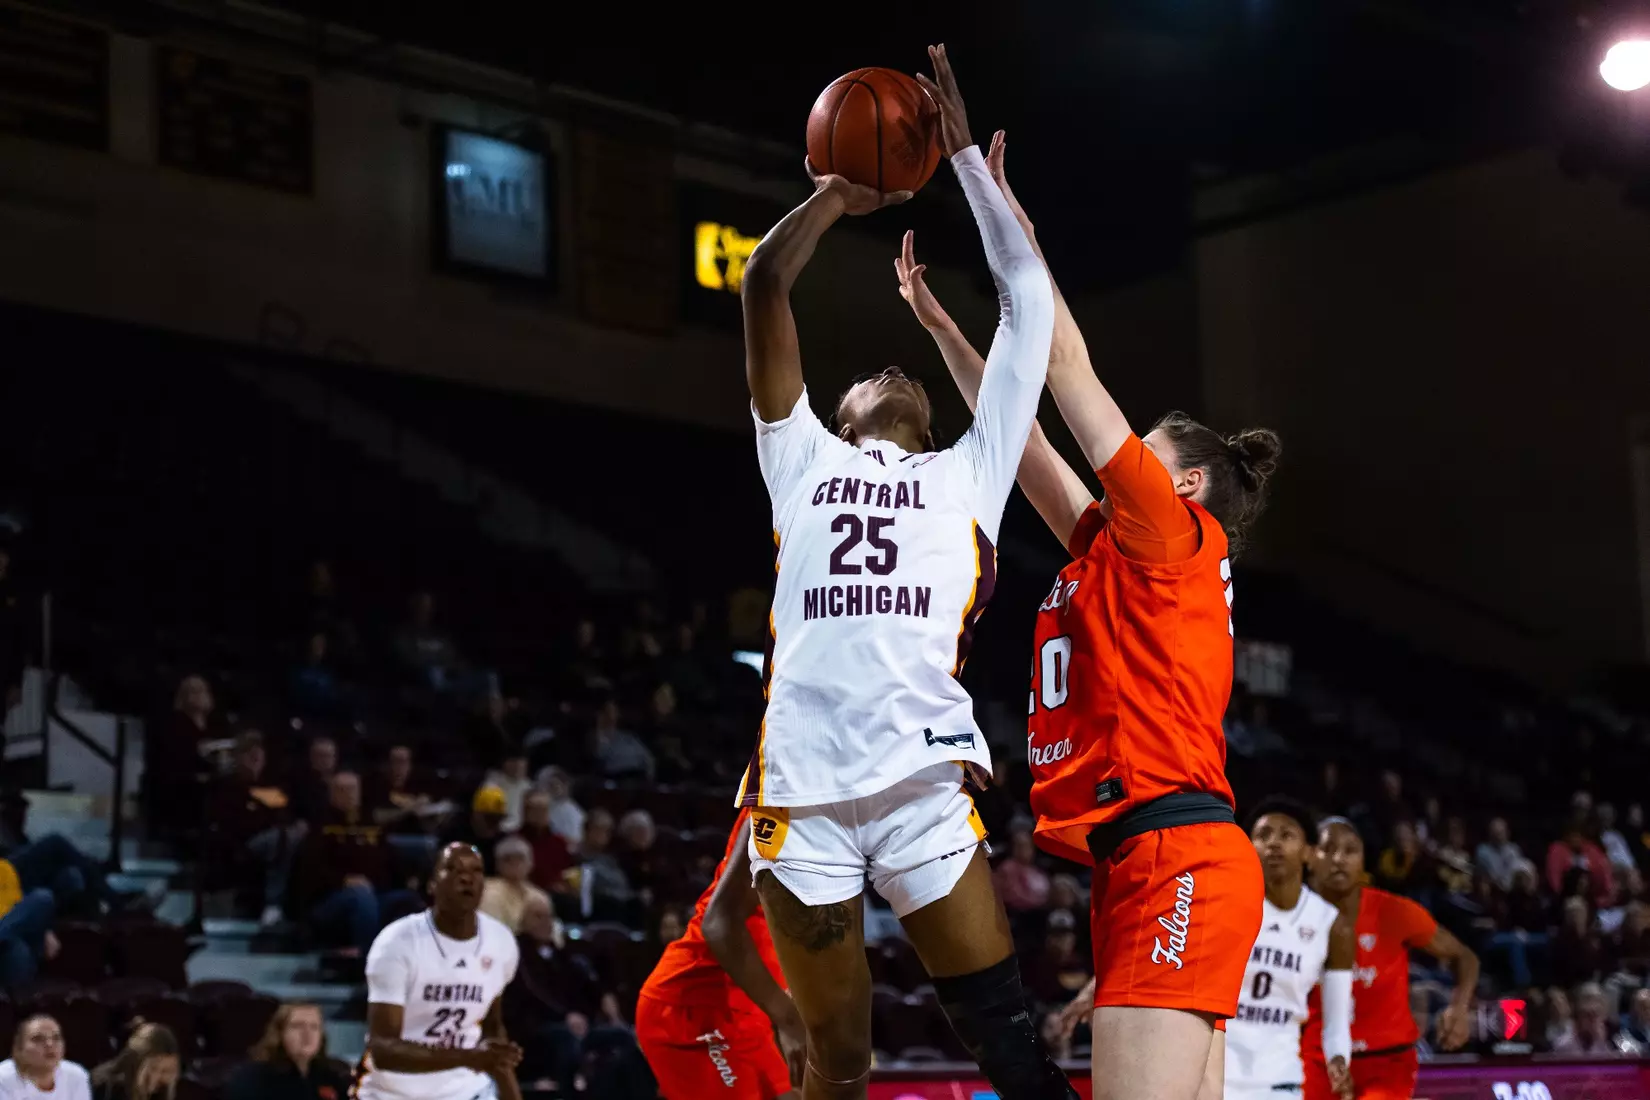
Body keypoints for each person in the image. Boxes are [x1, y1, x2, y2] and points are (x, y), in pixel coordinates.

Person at [899, 129, 1275, 1099]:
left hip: (1172, 848)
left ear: (1183, 477)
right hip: (1139, 854)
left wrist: (996, 210)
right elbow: (1019, 439)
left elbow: (1065, 367)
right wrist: (950, 336)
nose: (1125, 457)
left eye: (1143, 449)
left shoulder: (1169, 527)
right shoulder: (1112, 547)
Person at [738, 43, 1072, 1100]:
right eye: (869, 373)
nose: (891, 369)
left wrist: (966, 160)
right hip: (801, 793)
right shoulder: (801, 458)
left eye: (912, 373)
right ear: (839, 416)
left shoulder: (972, 471)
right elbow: (763, 281)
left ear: (934, 412)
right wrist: (837, 192)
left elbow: (1028, 306)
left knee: (1010, 1045)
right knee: (838, 1064)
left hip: (922, 784)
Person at [1302, 819, 1479, 1100]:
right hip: (1315, 1060)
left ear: (1362, 860)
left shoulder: (1393, 912)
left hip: (1386, 1061)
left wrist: (1459, 1008)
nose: (1339, 859)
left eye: (1350, 851)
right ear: (1310, 856)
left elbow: (1464, 956)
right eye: (1329, 849)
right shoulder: (1285, 919)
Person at [638, 809, 804, 1100]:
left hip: (748, 1011)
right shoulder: (782, 804)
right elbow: (718, 925)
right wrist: (789, 1019)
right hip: (694, 1008)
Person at [358, 844, 523, 1100]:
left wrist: (504, 1079)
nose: (467, 877)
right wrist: (470, 1057)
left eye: (476, 870)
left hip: (467, 1091)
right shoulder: (397, 942)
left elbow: (492, 1030)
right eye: (453, 869)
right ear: (432, 885)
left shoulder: (501, 942)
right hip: (394, 1093)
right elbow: (383, 1049)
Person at [1222, 799, 1354, 1100]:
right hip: (1217, 1073)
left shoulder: (1331, 925)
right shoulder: (1226, 907)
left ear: (1309, 853)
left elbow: (1336, 1020)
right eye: (1263, 835)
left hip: (1280, 1078)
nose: (1273, 844)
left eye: (1286, 835)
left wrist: (1338, 1060)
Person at [225, 1003, 349, 1100]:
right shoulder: (253, 1078)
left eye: (314, 1027)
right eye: (297, 1026)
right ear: (280, 1033)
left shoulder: (333, 1076)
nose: (307, 1034)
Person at [2, 1015, 92, 1100]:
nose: (49, 1044)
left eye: (56, 1038)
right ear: (19, 1047)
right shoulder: (3, 1079)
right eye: (38, 1039)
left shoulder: (76, 1075)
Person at [89, 1024, 179, 1100]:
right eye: (154, 1068)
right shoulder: (104, 1088)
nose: (162, 1078)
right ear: (137, 1063)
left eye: (167, 1071)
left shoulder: (159, 1092)